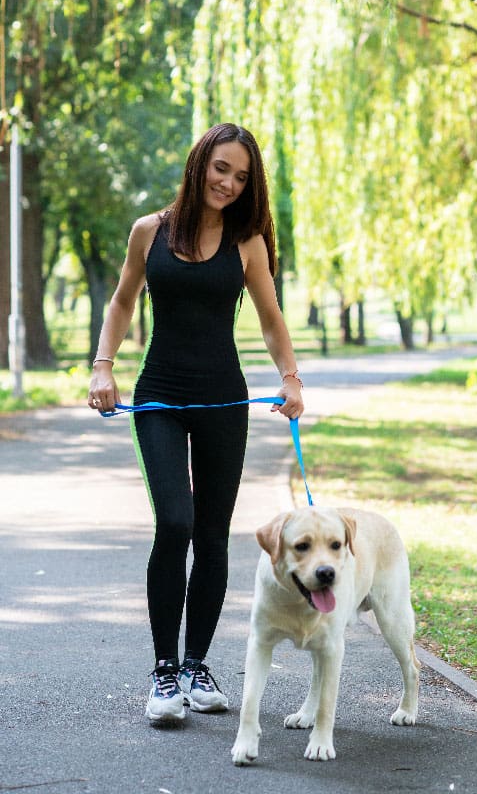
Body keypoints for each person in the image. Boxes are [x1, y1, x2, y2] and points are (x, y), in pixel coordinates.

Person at [88, 123, 304, 725]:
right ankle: (163, 673)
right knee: (175, 522)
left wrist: (291, 378)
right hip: (159, 395)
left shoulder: (248, 240)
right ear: (199, 162)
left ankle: (196, 665)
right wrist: (103, 367)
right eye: (221, 169)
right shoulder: (149, 232)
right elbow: (123, 301)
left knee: (211, 534)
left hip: (222, 400)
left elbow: (269, 316)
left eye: (241, 177)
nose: (228, 184)